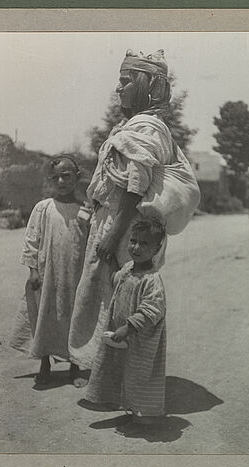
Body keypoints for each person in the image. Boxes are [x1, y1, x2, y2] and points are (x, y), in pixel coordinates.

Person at [69, 49, 181, 373]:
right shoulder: (128, 125)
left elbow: (136, 185)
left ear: (146, 86)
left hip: (126, 227)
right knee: (104, 294)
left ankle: (125, 377)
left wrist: (114, 232)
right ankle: (103, 372)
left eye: (124, 82)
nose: (118, 89)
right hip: (112, 220)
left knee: (124, 295)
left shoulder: (147, 128)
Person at [10, 154, 91, 385]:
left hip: (74, 275)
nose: (61, 182)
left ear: (76, 178)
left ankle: (75, 367)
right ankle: (44, 363)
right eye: (55, 177)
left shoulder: (84, 210)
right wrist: (33, 270)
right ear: (49, 180)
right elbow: (31, 240)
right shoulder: (43, 208)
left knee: (73, 317)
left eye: (66, 176)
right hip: (47, 274)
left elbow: (88, 242)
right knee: (44, 316)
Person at [86, 218, 167, 432]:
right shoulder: (129, 269)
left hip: (141, 341)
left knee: (140, 377)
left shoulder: (152, 280)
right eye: (133, 241)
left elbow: (151, 311)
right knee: (125, 374)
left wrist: (128, 328)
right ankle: (132, 414)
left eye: (144, 244)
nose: (136, 247)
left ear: (157, 248)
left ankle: (144, 422)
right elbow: (115, 279)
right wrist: (110, 259)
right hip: (125, 339)